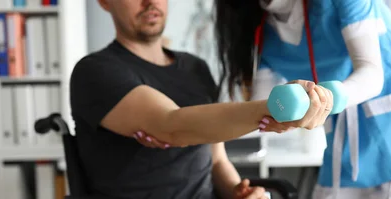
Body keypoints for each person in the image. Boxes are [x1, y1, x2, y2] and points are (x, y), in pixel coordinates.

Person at [138, 0, 391, 198]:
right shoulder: (263, 31)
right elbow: (262, 116)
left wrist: (321, 99)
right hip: (345, 149)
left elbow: (372, 74)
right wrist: (177, 131)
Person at [68, 0, 333, 198]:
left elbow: (215, 158)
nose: (150, 3)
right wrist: (272, 109)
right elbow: (172, 126)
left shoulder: (195, 68)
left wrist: (235, 191)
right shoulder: (95, 71)